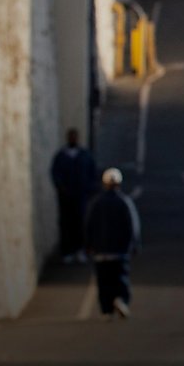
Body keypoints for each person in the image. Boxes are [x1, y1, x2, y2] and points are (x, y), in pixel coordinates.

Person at [84, 168, 142, 319]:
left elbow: (88, 225)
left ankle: (107, 310)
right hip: (120, 251)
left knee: (103, 282)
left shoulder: (96, 203)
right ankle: (121, 299)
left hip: (101, 252)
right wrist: (134, 245)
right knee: (120, 278)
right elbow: (132, 225)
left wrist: (89, 245)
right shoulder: (124, 201)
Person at [50, 129, 100, 263]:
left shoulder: (85, 155)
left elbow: (93, 173)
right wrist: (62, 189)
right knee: (66, 224)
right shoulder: (61, 156)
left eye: (75, 137)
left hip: (81, 197)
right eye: (71, 137)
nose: (73, 139)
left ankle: (80, 250)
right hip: (66, 198)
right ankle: (67, 251)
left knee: (81, 223)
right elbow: (56, 175)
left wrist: (89, 189)